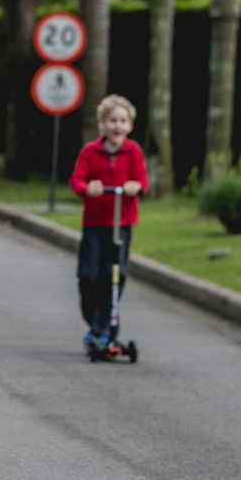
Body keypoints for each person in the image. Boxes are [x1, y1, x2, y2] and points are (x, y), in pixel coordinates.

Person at [69, 95, 149, 351]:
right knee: (88, 274)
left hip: (121, 223)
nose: (117, 126)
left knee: (115, 274)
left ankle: (104, 327)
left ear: (130, 126)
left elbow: (142, 181)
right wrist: (87, 187)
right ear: (102, 125)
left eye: (122, 121)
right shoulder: (90, 152)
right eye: (112, 120)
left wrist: (134, 186)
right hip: (94, 222)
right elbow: (77, 181)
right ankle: (95, 322)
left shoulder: (133, 151)